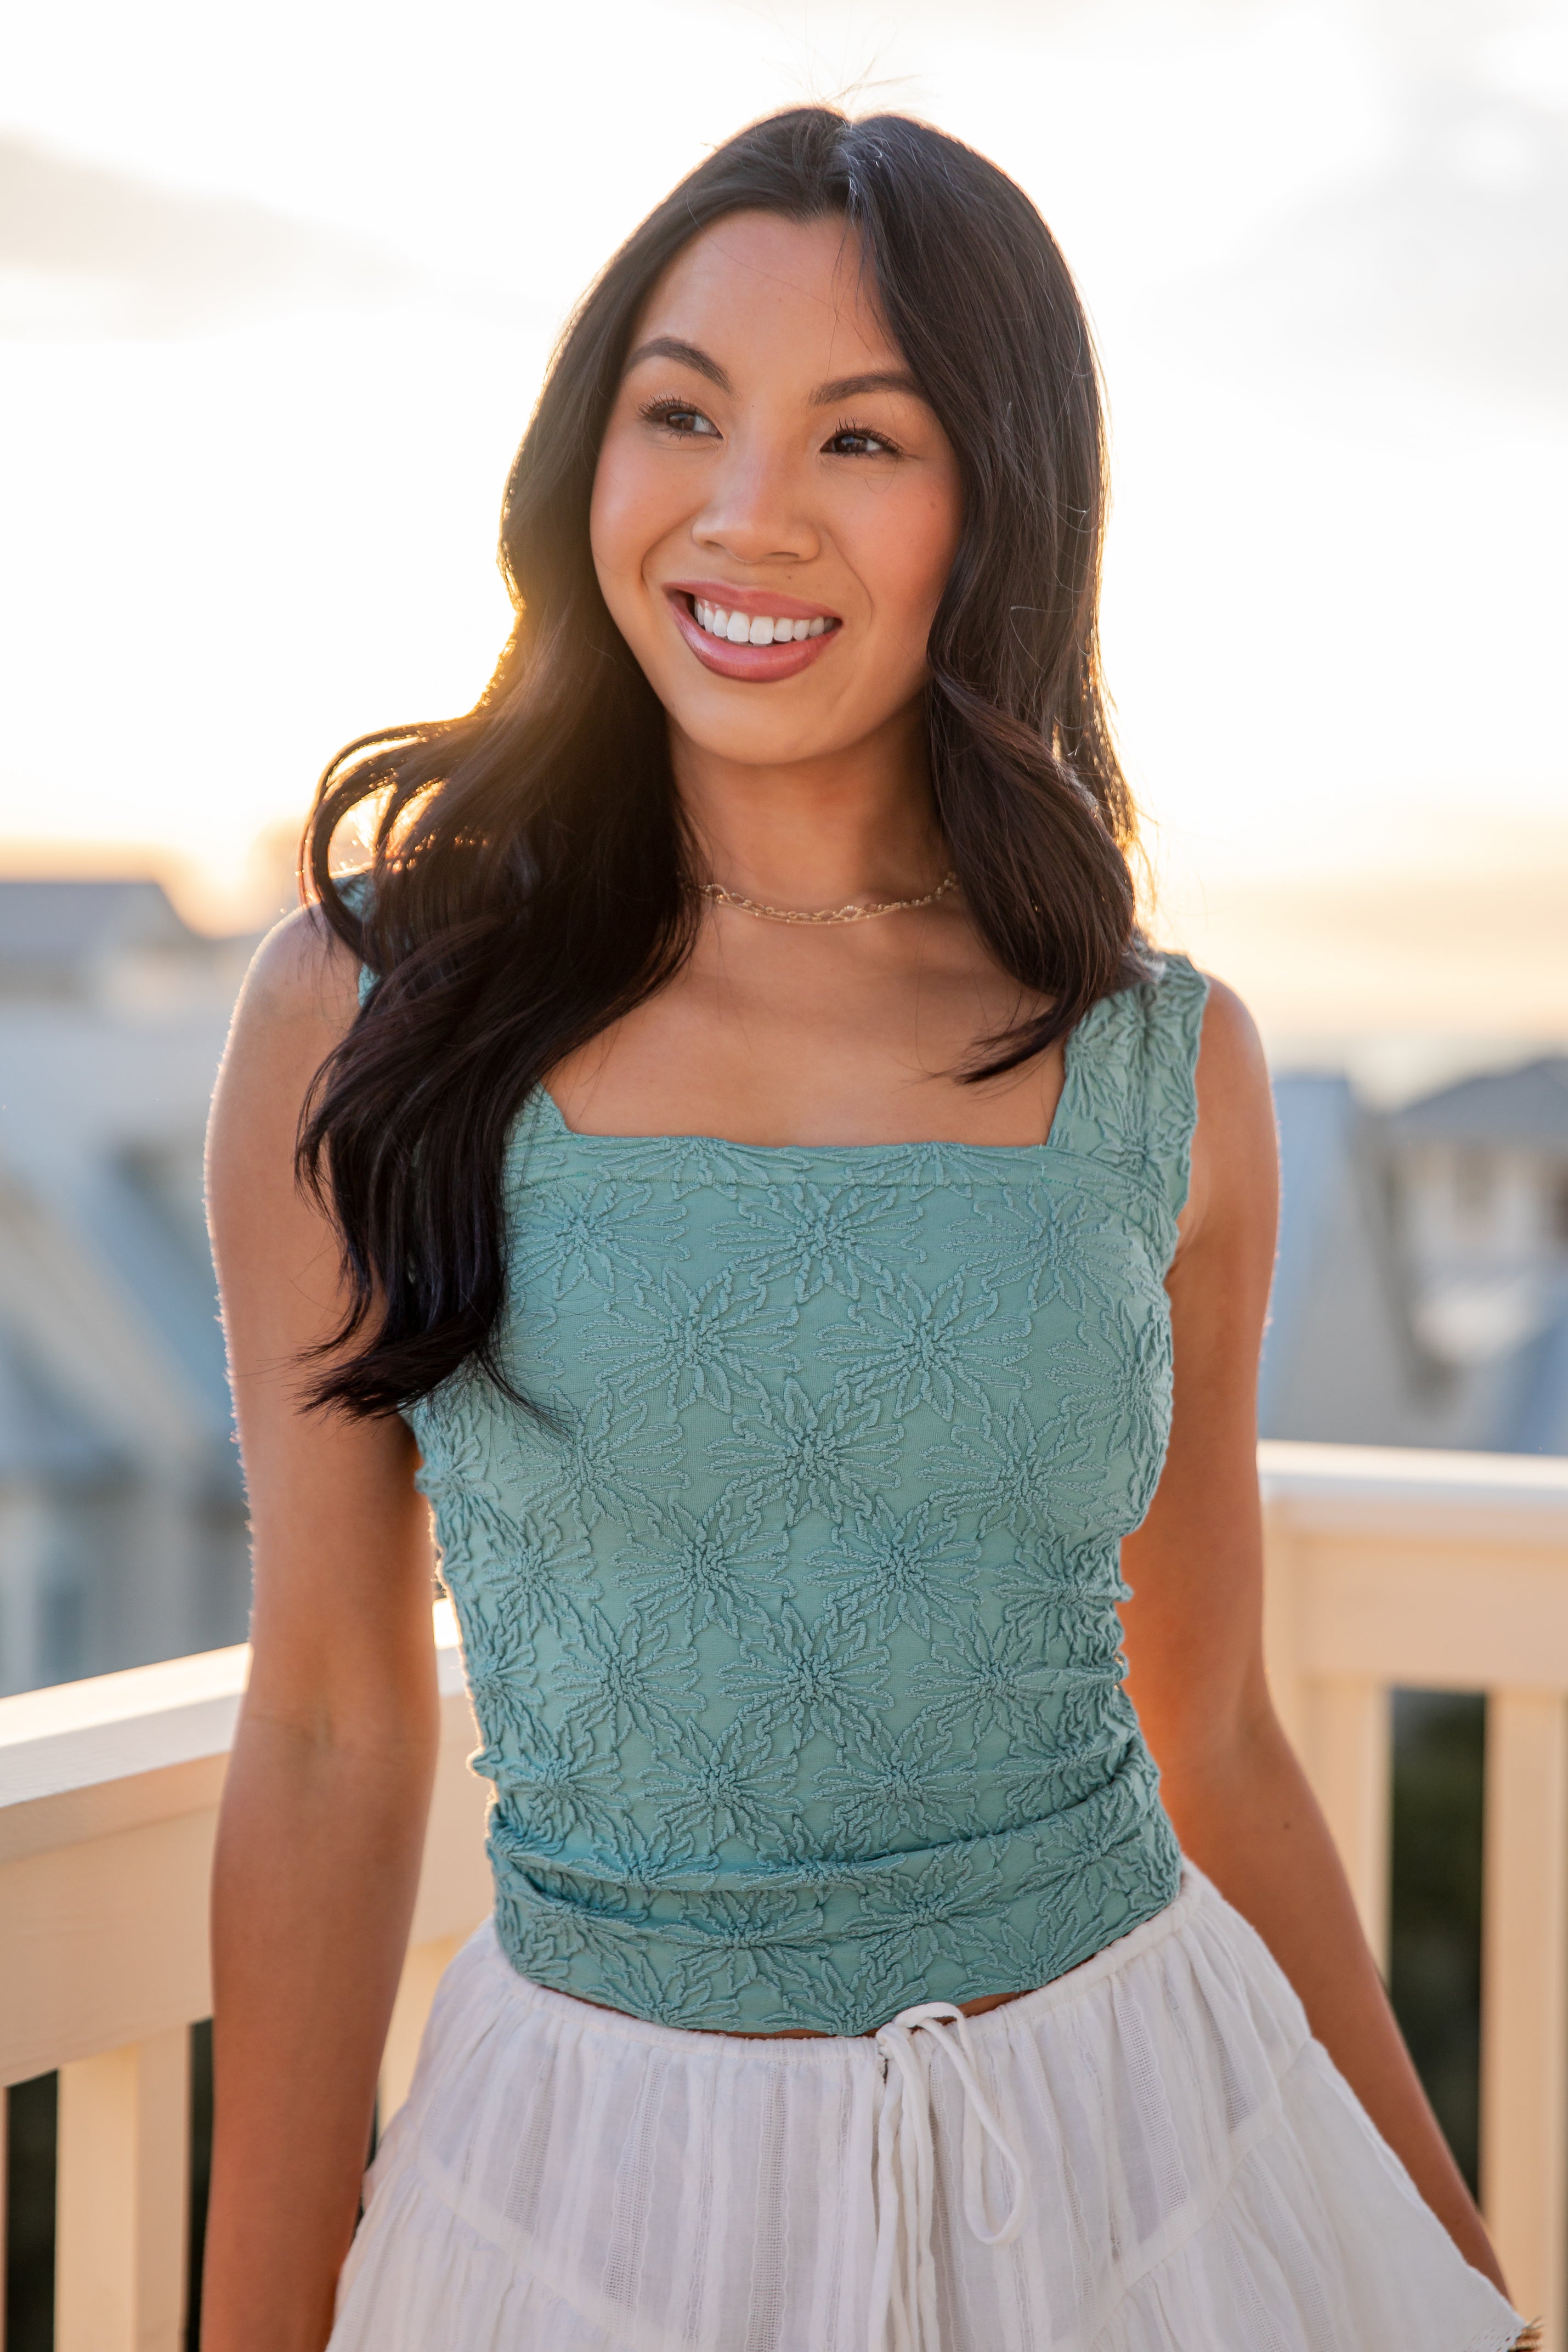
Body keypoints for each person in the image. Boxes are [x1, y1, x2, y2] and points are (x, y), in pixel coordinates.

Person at [200, 106, 1529, 2352]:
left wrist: (1454, 2271)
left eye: (860, 436)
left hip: (1146, 2165)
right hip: (593, 2204)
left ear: (993, 503)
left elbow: (1209, 1724)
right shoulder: (365, 1010)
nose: (748, 510)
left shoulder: (1162, 1061)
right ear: (586, 459)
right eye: (680, 413)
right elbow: (330, 1726)